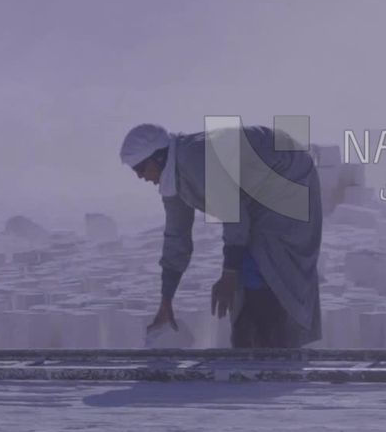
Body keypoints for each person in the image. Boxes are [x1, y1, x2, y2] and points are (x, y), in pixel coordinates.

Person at [120, 122, 323, 348]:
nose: (140, 177)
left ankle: (273, 341)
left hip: (288, 176)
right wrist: (166, 300)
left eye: (140, 169)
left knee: (265, 261)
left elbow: (234, 214)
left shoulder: (195, 160)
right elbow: (176, 237)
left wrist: (229, 273)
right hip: (258, 190)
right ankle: (254, 341)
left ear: (157, 157)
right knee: (248, 266)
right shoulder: (173, 178)